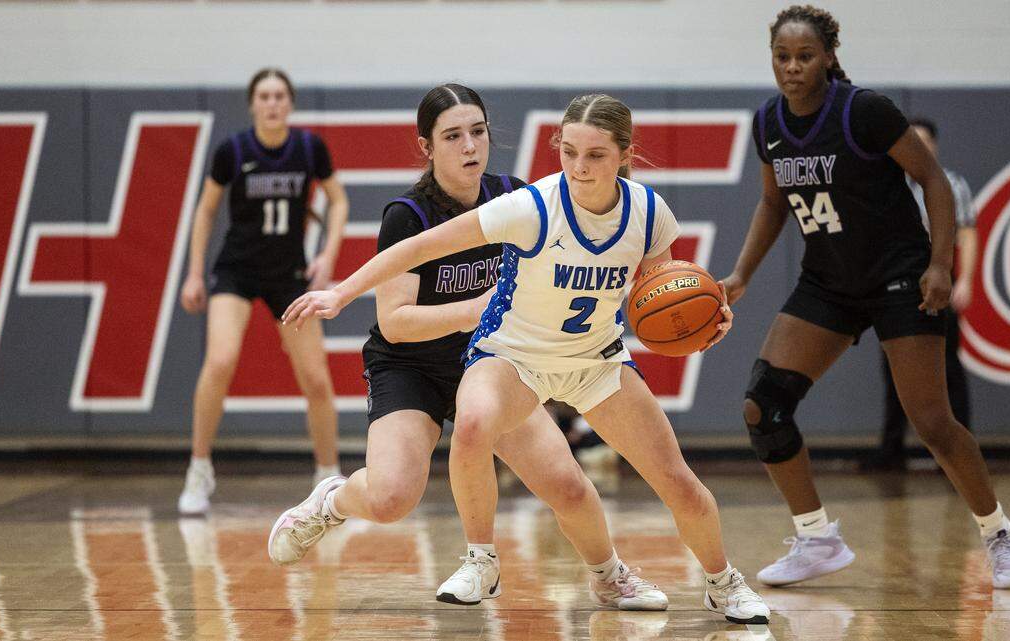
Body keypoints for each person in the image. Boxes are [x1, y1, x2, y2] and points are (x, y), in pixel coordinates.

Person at [281, 93, 772, 625]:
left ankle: (714, 582)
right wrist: (341, 293)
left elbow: (654, 303)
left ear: (625, 154)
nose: (580, 168)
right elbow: (419, 251)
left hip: (595, 359)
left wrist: (700, 326)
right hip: (505, 357)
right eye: (569, 152)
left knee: (662, 482)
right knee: (465, 431)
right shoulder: (529, 206)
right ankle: (479, 560)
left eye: (597, 155)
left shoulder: (650, 214)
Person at [719, 5, 1010, 589]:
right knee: (764, 406)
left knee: (933, 422)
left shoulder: (864, 110)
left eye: (804, 56)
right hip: (828, 282)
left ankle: (998, 534)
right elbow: (772, 203)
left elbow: (933, 181)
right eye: (781, 57)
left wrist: (941, 263)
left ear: (829, 56)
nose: (791, 68)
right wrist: (741, 275)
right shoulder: (769, 124)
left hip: (898, 276)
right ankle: (816, 539)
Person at [178, 68, 348, 515]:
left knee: (314, 377)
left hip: (287, 273)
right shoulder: (232, 150)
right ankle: (199, 469)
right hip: (236, 271)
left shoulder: (309, 148)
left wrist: (327, 256)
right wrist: (195, 274)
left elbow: (339, 199)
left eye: (279, 96)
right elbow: (206, 210)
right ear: (252, 104)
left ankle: (327, 476)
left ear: (289, 103)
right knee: (220, 360)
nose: (272, 103)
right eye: (264, 96)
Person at [864, 117, 978, 471]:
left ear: (936, 146)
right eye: (912, 139)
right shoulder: (888, 184)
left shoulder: (951, 184)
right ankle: (891, 449)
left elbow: (967, 234)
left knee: (949, 370)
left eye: (926, 140)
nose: (919, 146)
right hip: (895, 284)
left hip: (937, 281)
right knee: (893, 369)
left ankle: (959, 454)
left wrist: (966, 280)